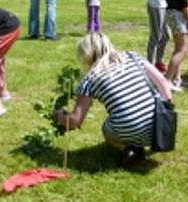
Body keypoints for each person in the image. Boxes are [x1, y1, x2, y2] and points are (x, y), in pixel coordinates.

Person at [53, 33, 172, 168]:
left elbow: (74, 121)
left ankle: (128, 149)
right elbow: (162, 81)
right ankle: (139, 144)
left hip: (128, 129)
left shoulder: (90, 79)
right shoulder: (132, 56)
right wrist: (167, 111)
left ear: (86, 55)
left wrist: (59, 115)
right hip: (160, 128)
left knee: (106, 128)